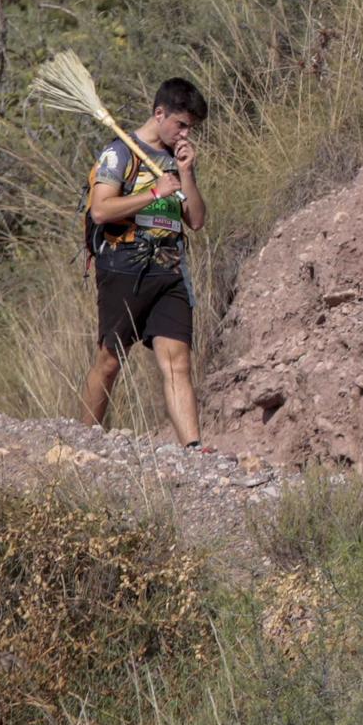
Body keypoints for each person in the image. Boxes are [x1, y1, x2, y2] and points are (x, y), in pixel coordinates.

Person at [79, 77, 209, 447]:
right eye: (181, 125)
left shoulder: (175, 160)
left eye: (191, 128)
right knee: (109, 360)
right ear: (159, 113)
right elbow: (102, 210)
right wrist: (154, 192)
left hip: (169, 272)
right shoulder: (119, 153)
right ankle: (83, 441)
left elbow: (196, 220)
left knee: (177, 362)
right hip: (124, 269)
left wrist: (185, 172)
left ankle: (194, 450)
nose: (185, 134)